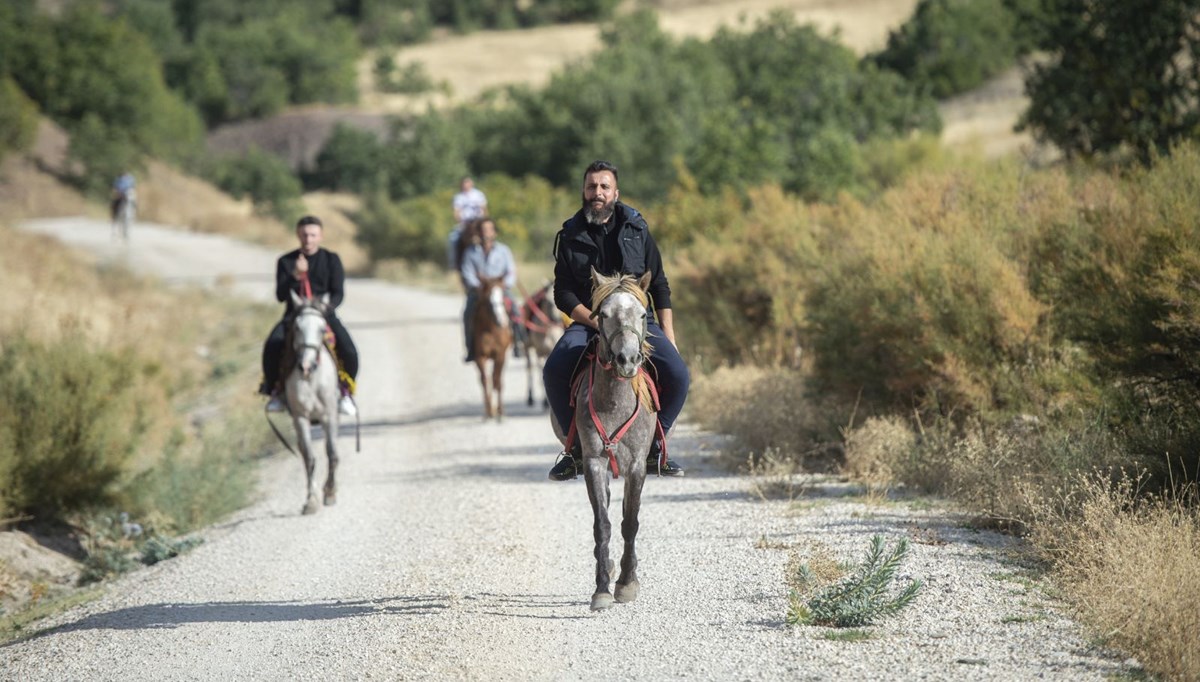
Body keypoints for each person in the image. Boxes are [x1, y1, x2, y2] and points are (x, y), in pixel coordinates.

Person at [543, 160, 689, 480]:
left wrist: (669, 335)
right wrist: (594, 323)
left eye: (604, 186)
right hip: (589, 321)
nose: (597, 192)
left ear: (615, 192)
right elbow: (564, 293)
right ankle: (575, 450)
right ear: (583, 191)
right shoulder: (570, 234)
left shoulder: (637, 228)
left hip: (637, 321)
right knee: (553, 369)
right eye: (592, 186)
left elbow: (660, 284)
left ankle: (655, 448)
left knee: (679, 374)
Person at [259, 215, 359, 416]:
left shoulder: (331, 260)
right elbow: (280, 296)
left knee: (348, 349)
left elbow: (338, 293)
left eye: (313, 235)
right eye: (304, 235)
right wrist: (295, 275)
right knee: (273, 344)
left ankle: (346, 393)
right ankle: (275, 392)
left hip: (323, 315)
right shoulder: (286, 262)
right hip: (294, 316)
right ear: (298, 235)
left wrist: (326, 308)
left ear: (320, 236)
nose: (308, 239)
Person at [460, 217, 518, 362]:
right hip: (479, 291)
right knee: (468, 313)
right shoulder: (470, 252)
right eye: (482, 230)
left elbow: (511, 271)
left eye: (489, 230)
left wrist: (505, 284)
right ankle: (471, 348)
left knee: (516, 309)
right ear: (478, 233)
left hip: (500, 289)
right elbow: (467, 273)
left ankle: (518, 344)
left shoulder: (504, 251)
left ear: (494, 232)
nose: (486, 233)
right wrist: (478, 286)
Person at [447, 176, 489, 270]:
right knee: (452, 238)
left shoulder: (478, 195)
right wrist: (461, 221)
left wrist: (484, 222)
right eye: (464, 184)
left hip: (478, 223)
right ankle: (454, 264)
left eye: (467, 183)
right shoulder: (459, 197)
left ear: (471, 184)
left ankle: (491, 260)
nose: (466, 185)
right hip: (465, 223)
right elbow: (456, 212)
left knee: (489, 237)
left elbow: (484, 210)